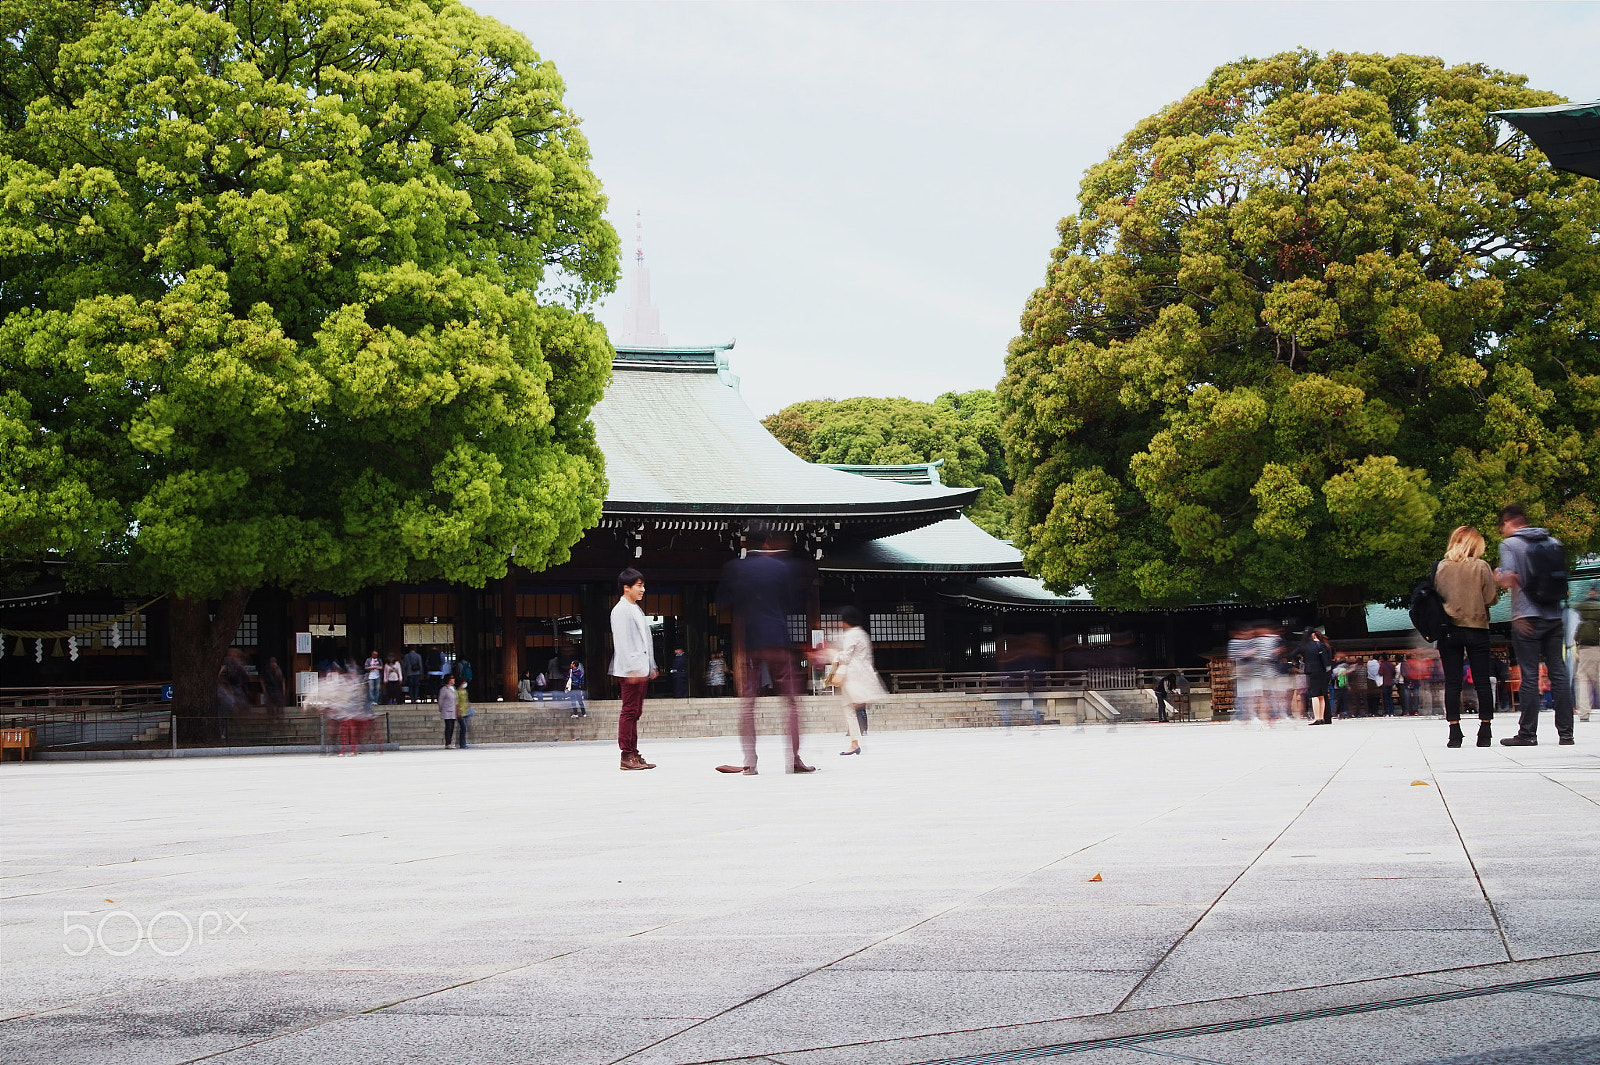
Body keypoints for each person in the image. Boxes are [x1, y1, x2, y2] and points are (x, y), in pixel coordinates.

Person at [715, 523, 816, 774]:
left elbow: (723, 603)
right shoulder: (781, 567)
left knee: (748, 703)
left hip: (749, 642)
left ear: (743, 542)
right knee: (790, 702)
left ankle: (750, 761)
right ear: (766, 542)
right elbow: (791, 602)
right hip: (778, 639)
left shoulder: (734, 568)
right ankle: (793, 759)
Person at [1495, 504, 1574, 746]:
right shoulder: (1553, 542)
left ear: (1509, 522)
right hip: (1554, 615)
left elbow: (1507, 579)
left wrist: (1497, 574)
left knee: (1529, 675)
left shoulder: (1510, 544)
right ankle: (1566, 734)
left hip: (1526, 618)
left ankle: (1528, 734)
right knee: (1559, 673)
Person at [1433, 525, 1501, 747]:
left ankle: (1454, 732)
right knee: (1482, 681)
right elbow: (1491, 597)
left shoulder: (1441, 568)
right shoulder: (1481, 567)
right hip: (1477, 627)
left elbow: (1435, 598)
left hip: (1448, 630)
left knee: (1452, 682)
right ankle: (1485, 731)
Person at [610, 567, 657, 770]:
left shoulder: (634, 608)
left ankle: (634, 753)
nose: (643, 589)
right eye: (639, 586)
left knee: (635, 712)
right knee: (629, 712)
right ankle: (626, 754)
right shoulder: (621, 610)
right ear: (626, 587)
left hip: (640, 669)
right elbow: (623, 642)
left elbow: (644, 641)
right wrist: (632, 670)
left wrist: (650, 666)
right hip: (631, 670)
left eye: (643, 585)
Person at [828, 606, 886, 755]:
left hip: (852, 676)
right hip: (862, 674)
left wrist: (833, 654)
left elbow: (846, 657)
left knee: (848, 708)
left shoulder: (851, 635)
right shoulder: (863, 634)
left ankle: (854, 743)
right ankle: (854, 742)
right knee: (850, 708)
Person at [1575, 587, 1599, 723]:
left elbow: (1576, 637)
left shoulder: (1583, 619)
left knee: (1583, 680)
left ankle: (1583, 712)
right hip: (1597, 647)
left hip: (1584, 649)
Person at [1301, 630, 1333, 725]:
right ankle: (1323, 717)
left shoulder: (1315, 646)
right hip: (1324, 672)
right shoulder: (1326, 645)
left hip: (1315, 672)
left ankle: (1318, 717)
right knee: (1322, 695)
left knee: (1315, 695)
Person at [438, 674, 462, 748]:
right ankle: (447, 742)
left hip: (453, 710)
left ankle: (450, 742)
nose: (454, 680)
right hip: (447, 710)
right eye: (452, 678)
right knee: (448, 726)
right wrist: (441, 709)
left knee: (452, 727)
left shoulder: (453, 688)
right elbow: (440, 700)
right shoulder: (444, 689)